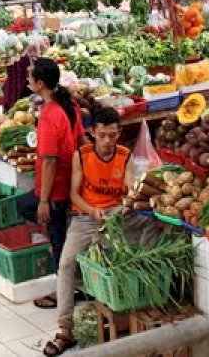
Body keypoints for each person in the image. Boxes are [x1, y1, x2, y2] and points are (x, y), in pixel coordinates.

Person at [43, 105, 135, 356]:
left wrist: (126, 207)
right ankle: (65, 329)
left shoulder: (125, 156)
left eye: (113, 135)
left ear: (119, 133)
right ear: (92, 132)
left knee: (127, 256)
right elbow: (75, 194)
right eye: (102, 135)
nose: (107, 141)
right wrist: (93, 211)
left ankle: (124, 315)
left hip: (116, 216)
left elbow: (130, 192)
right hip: (86, 216)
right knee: (65, 264)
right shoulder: (81, 155)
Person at [18, 59, 82, 310]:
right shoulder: (70, 106)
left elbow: (48, 162)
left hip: (55, 188)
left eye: (30, 77)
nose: (27, 80)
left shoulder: (49, 115)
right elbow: (79, 140)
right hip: (69, 182)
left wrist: (44, 200)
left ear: (40, 83)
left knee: (56, 237)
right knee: (58, 235)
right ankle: (71, 284)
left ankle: (63, 292)